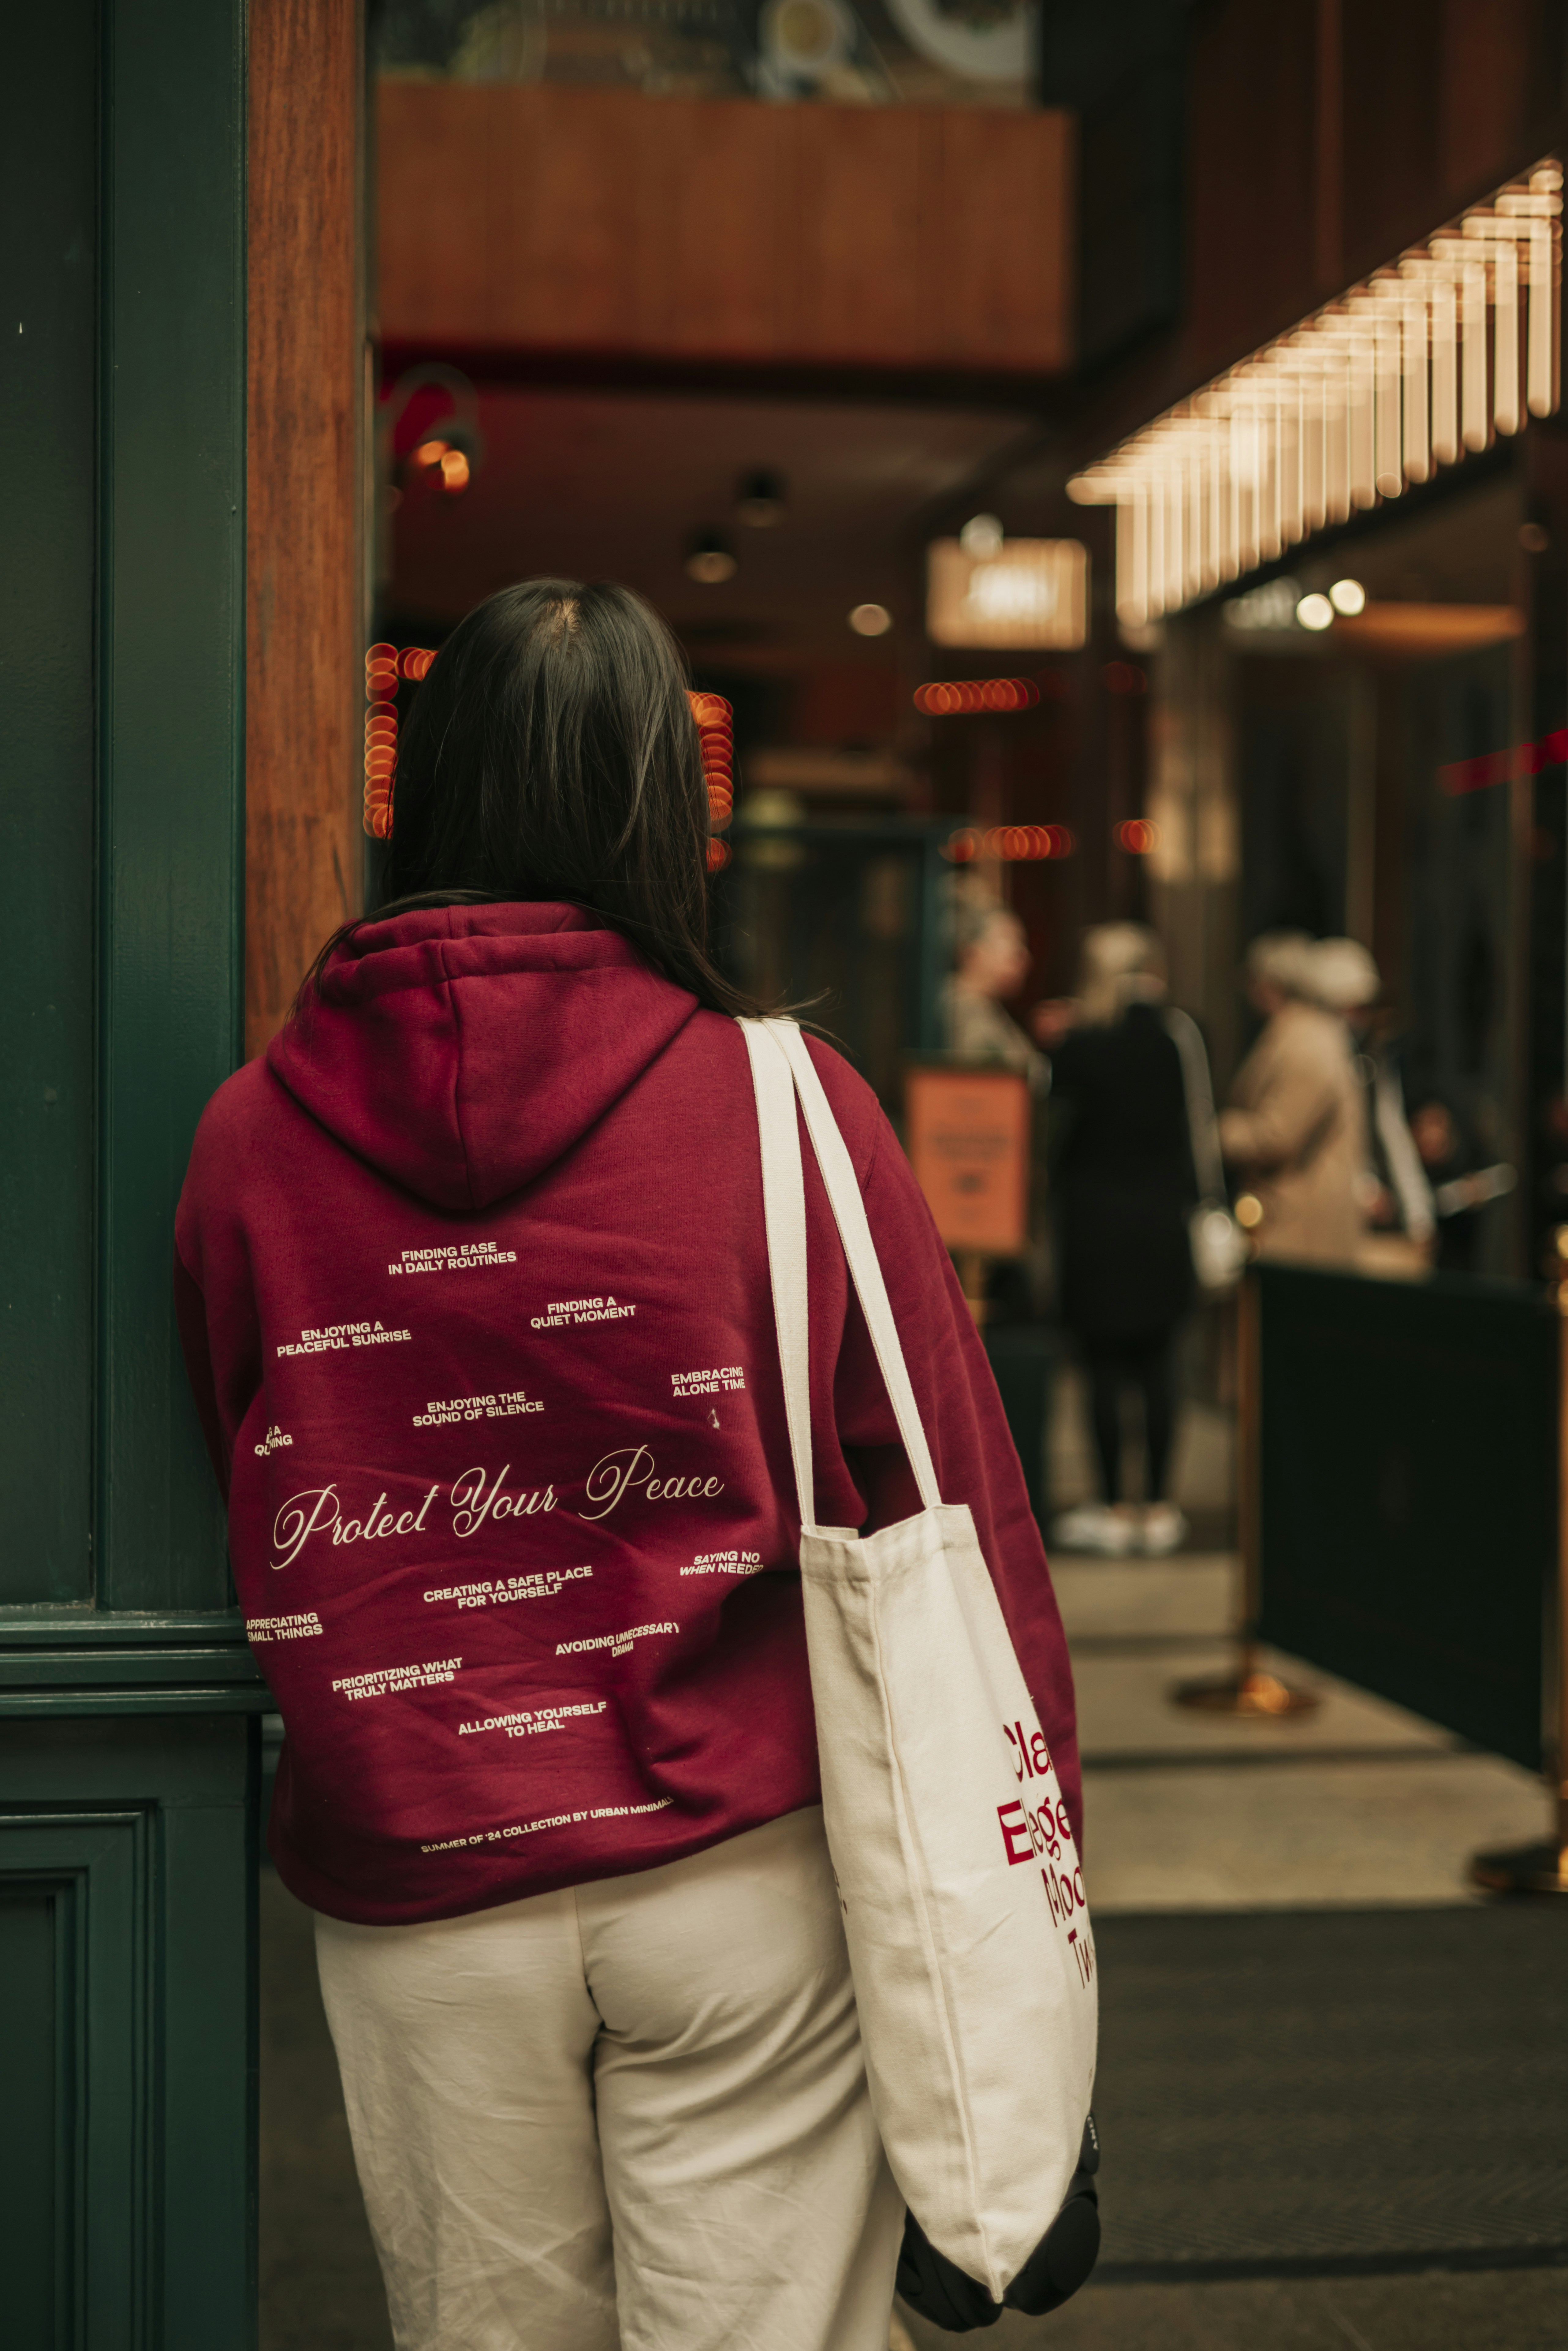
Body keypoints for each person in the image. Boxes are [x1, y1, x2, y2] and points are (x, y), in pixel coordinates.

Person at [173, 580, 1080, 2351]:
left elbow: (237, 1462)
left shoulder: (246, 1133)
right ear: (672, 805)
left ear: (417, 788)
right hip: (740, 1867)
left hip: (418, 1872)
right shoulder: (789, 1098)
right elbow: (954, 1506)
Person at [1037, 925, 1197, 1558]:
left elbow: (1053, 1138)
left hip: (1096, 1227)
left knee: (1103, 1369)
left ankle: (1112, 1503)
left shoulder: (1078, 1048)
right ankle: (1159, 1505)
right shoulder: (1172, 1042)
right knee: (1160, 1367)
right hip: (1162, 1224)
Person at [1219, 930, 1369, 1266]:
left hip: (1301, 1226)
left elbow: (1278, 1135)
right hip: (1291, 1219)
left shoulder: (1306, 1041)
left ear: (1270, 984)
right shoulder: (1298, 1035)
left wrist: (1215, 1133)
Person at [942, 897, 1049, 1090]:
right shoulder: (959, 1013)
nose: (1024, 957)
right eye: (1011, 942)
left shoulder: (986, 1008)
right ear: (971, 952)